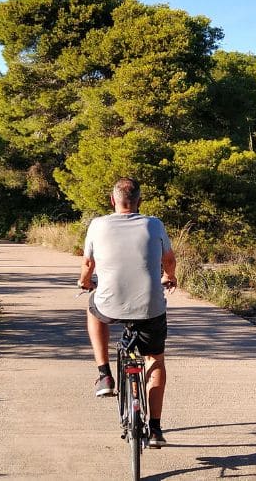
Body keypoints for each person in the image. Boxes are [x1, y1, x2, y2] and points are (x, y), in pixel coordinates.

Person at [78, 177, 177, 448]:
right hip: (149, 306)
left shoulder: (98, 225)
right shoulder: (153, 223)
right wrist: (170, 277)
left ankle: (104, 374)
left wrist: (85, 282)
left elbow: (88, 263)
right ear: (139, 202)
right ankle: (155, 429)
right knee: (155, 360)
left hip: (110, 304)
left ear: (112, 201)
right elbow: (168, 259)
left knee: (93, 309)